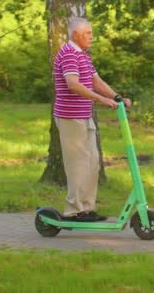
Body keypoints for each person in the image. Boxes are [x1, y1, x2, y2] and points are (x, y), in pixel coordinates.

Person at [53, 17, 131, 222]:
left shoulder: (83, 55)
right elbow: (73, 84)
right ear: (76, 35)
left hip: (84, 116)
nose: (91, 37)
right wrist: (102, 100)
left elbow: (96, 81)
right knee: (77, 163)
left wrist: (116, 97)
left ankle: (86, 208)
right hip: (70, 117)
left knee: (92, 161)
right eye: (88, 33)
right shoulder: (69, 54)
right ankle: (73, 211)